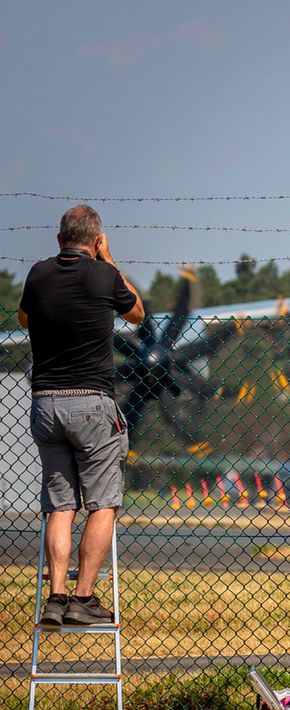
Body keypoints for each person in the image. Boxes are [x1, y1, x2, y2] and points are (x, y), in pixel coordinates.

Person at [20, 205, 145, 627]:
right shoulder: (104, 275)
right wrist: (108, 260)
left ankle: (54, 597)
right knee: (103, 503)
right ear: (96, 241)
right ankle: (83, 599)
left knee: (60, 505)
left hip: (46, 402)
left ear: (59, 240)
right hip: (92, 402)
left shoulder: (38, 274)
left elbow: (24, 317)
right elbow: (137, 313)